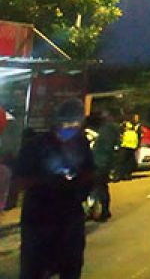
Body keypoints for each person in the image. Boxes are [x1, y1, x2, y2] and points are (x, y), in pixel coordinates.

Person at [14, 99, 94, 279]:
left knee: (70, 267)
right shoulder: (35, 146)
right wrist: (47, 181)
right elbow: (20, 181)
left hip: (69, 218)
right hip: (39, 219)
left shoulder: (81, 144)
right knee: (34, 269)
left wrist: (78, 184)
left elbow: (89, 173)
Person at [88, 110, 119, 220]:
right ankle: (103, 210)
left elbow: (104, 147)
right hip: (103, 162)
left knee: (98, 186)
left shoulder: (107, 129)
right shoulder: (109, 129)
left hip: (100, 162)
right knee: (101, 186)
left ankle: (100, 210)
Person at [115, 113, 140, 180]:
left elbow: (139, 136)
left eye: (138, 118)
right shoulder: (125, 124)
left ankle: (127, 175)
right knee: (121, 161)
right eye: (136, 118)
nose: (137, 119)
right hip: (125, 145)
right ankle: (118, 176)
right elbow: (119, 133)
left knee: (131, 163)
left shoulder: (138, 126)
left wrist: (138, 145)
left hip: (133, 146)